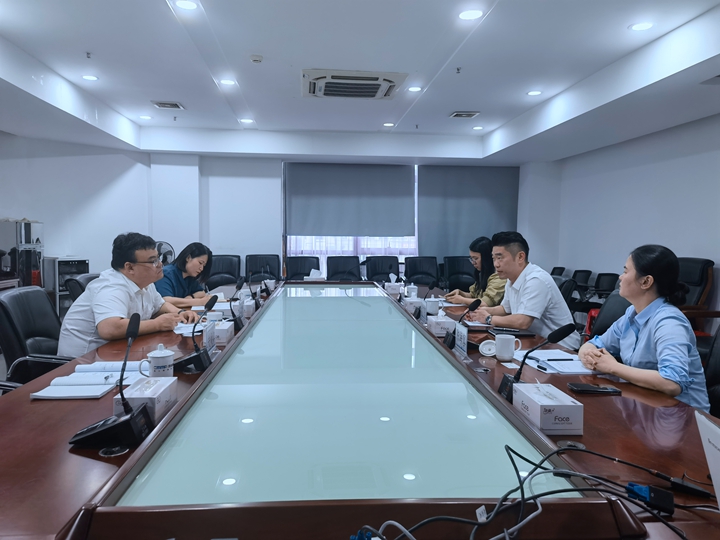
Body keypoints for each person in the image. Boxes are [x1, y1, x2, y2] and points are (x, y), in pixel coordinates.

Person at [578, 245, 710, 412]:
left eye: (626, 271)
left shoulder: (669, 322)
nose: (620, 277)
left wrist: (612, 367)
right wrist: (589, 356)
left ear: (646, 281)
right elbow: (593, 344)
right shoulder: (631, 314)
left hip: (684, 415)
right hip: (646, 404)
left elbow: (672, 383)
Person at [58, 232, 199, 358]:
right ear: (130, 267)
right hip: (83, 362)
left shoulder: (145, 282)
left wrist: (180, 313)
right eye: (153, 261)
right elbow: (109, 328)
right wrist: (157, 324)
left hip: (116, 352)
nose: (160, 264)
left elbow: (160, 305)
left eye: (158, 258)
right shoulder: (111, 287)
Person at [468, 231, 581, 350]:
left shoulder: (536, 280)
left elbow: (523, 322)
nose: (496, 264)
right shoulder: (511, 278)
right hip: (536, 340)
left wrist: (488, 318)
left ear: (520, 257)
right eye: (494, 258)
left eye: (500, 258)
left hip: (562, 347)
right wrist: (482, 311)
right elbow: (506, 309)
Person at [445, 236, 506, 307]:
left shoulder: (499, 276)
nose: (473, 262)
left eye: (476, 258)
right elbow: (474, 295)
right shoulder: (483, 273)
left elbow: (485, 303)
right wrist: (461, 293)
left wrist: (462, 300)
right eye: (471, 258)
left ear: (487, 258)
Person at [155, 242, 213, 308]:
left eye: (204, 266)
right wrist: (200, 302)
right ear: (188, 258)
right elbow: (166, 300)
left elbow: (201, 292)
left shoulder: (189, 276)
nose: (201, 268)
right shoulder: (166, 273)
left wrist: (191, 297)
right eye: (200, 263)